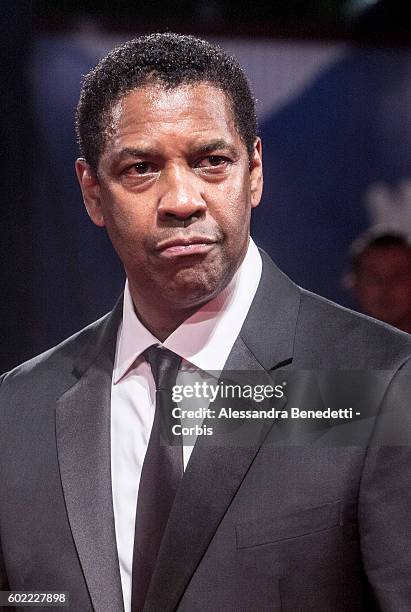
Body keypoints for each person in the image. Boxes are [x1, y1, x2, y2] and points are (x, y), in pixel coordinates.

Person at [1, 33, 411, 612]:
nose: (182, 199)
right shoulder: (18, 410)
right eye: (141, 168)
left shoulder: (381, 387)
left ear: (254, 172)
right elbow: (28, 598)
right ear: (92, 193)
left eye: (211, 161)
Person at [346, 228, 411, 333]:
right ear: (354, 285)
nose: (386, 286)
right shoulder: (330, 346)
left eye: (398, 275)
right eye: (374, 276)